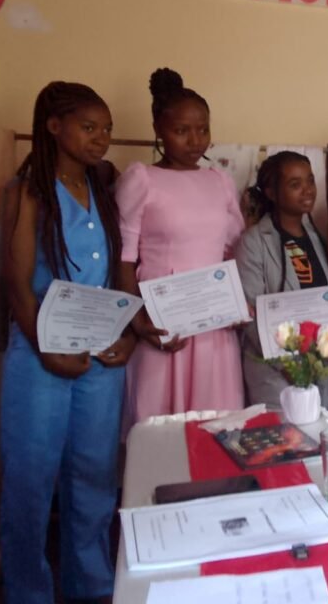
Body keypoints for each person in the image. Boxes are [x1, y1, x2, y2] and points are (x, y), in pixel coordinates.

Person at [0, 82, 132, 604]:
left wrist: (126, 336)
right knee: (30, 481)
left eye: (107, 130)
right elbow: (16, 283)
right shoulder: (28, 191)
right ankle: (28, 591)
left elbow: (119, 270)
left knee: (95, 476)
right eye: (89, 127)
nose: (101, 138)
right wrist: (45, 348)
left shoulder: (104, 187)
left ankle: (91, 584)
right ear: (54, 127)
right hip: (40, 354)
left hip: (100, 355)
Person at [117, 68, 246, 427]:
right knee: (159, 428)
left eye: (203, 129)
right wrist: (137, 321)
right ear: (158, 129)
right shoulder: (141, 179)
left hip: (214, 328)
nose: (195, 141)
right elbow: (124, 257)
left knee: (215, 425)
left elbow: (233, 250)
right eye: (182, 130)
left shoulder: (219, 181)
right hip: (162, 324)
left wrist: (237, 303)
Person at [236, 151, 328, 407]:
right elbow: (250, 315)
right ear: (271, 192)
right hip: (274, 372)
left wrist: (325, 354)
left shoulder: (318, 238)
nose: (307, 190)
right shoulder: (254, 242)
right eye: (295, 184)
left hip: (319, 366)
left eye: (310, 180)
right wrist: (289, 365)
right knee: (282, 431)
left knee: (319, 429)